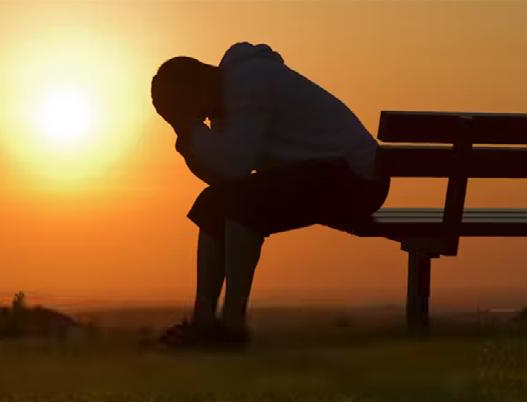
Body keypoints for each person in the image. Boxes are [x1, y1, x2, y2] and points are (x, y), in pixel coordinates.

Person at [150, 42, 389, 347]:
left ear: (196, 90)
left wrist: (189, 130)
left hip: (356, 180)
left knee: (243, 206)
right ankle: (204, 321)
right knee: (212, 203)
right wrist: (186, 133)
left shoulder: (250, 83)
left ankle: (231, 326)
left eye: (182, 108)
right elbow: (222, 179)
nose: (195, 115)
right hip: (328, 175)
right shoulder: (228, 103)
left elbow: (235, 169)